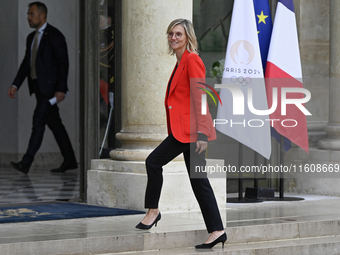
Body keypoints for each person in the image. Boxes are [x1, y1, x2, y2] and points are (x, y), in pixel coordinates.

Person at [135, 19, 227, 249]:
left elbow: (200, 98)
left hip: (189, 133)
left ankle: (153, 210)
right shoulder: (180, 62)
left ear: (188, 37)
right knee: (199, 181)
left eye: (178, 34)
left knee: (153, 161)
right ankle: (217, 230)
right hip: (185, 132)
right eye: (170, 34)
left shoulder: (192, 60)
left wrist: (203, 134)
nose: (173, 38)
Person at [8, 2, 77, 174]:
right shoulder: (31, 38)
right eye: (28, 14)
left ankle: (26, 162)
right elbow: (26, 64)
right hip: (38, 89)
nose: (28, 18)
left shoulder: (55, 36)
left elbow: (63, 64)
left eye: (31, 14)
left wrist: (61, 89)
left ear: (42, 15)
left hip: (51, 91)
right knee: (55, 125)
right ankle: (70, 160)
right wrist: (16, 84)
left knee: (38, 122)